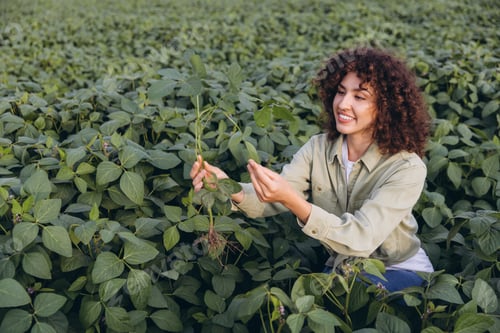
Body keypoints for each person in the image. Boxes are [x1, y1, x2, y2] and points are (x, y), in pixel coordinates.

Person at [190, 47, 434, 292]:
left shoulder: (406, 167)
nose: (343, 104)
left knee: (350, 299)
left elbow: (361, 237)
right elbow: (269, 200)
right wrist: (226, 186)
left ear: (386, 107)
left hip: (399, 268)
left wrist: (293, 201)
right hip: (342, 266)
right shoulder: (318, 147)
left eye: (359, 97)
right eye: (340, 92)